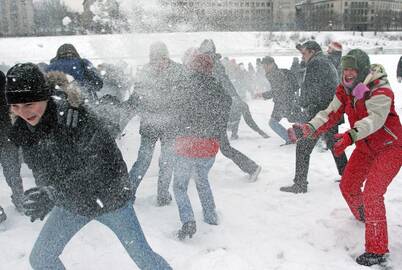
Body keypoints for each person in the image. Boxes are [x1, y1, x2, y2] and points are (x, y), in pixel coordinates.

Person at [5, 63, 171, 270]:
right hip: (73, 203)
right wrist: (45, 192)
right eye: (16, 106)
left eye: (29, 104)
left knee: (145, 258)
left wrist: (54, 193)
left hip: (110, 199)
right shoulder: (25, 130)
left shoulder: (76, 116)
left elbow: (101, 168)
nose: (23, 112)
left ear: (45, 96)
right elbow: (43, 171)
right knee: (41, 259)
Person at [291, 50, 401, 266]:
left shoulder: (380, 89)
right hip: (365, 147)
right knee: (348, 185)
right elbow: (330, 113)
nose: (347, 73)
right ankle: (366, 217)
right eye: (345, 69)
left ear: (362, 71)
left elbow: (374, 121)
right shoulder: (345, 90)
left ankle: (378, 250)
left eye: (352, 69)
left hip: (390, 147)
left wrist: (350, 135)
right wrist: (309, 127)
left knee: (372, 193)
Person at [173, 52, 231, 240]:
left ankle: (188, 220)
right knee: (202, 179)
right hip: (208, 145)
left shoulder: (183, 85)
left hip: (186, 144)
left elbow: (173, 109)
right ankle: (211, 215)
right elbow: (228, 103)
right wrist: (217, 126)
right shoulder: (216, 86)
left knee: (180, 186)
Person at [280, 41, 348, 193]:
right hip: (331, 110)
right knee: (333, 143)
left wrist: (299, 105)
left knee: (303, 147)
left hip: (321, 113)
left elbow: (311, 91)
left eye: (304, 53)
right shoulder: (325, 61)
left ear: (312, 51)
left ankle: (300, 184)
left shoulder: (316, 63)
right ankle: (347, 174)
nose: (302, 57)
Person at [127, 42, 188, 206]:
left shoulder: (179, 71)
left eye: (160, 59)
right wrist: (124, 115)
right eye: (154, 59)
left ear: (166, 57)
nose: (157, 63)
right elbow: (136, 97)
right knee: (143, 160)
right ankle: (128, 193)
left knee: (167, 161)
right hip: (150, 124)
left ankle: (162, 195)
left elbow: (186, 97)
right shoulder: (144, 72)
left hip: (171, 125)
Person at [198, 39, 263, 181]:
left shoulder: (214, 66)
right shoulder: (212, 65)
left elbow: (224, 86)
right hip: (214, 112)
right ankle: (196, 171)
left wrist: (233, 100)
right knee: (207, 142)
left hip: (215, 113)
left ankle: (251, 167)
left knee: (221, 146)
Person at [256, 56, 300, 145]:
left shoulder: (275, 74)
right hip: (287, 100)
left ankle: (291, 138)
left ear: (271, 64)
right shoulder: (275, 73)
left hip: (283, 102)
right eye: (263, 66)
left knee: (273, 122)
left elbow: (278, 91)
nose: (264, 68)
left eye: (265, 66)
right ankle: (303, 135)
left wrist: (263, 95)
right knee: (296, 118)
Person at [0, 70, 24, 213]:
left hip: (6, 131)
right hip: (6, 131)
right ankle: (19, 198)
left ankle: (19, 198)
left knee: (12, 168)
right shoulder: (2, 77)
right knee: (12, 169)